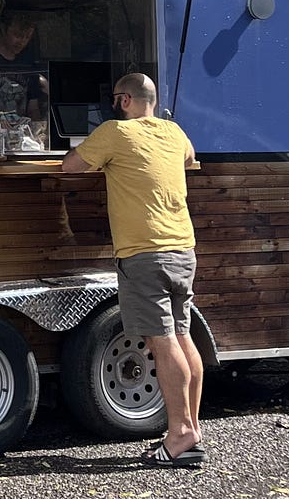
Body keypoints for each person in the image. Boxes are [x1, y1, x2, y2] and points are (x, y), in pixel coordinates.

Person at [60, 72, 204, 467]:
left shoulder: (114, 132)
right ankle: (191, 428)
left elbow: (71, 166)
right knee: (182, 336)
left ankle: (180, 433)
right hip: (182, 248)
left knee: (163, 341)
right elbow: (190, 158)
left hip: (145, 253)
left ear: (124, 101)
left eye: (114, 100)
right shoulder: (174, 132)